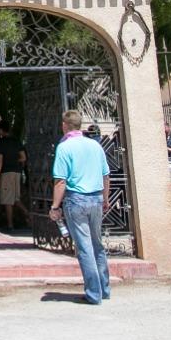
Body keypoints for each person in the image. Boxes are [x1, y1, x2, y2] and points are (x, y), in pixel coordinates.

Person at [50, 110, 112, 305]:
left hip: (76, 200)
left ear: (64, 125)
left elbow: (60, 181)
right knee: (97, 244)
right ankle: (104, 289)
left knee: (84, 247)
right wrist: (106, 198)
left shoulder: (64, 147)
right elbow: (106, 175)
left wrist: (55, 206)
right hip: (96, 198)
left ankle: (93, 293)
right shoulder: (95, 145)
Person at [0, 125, 24, 231]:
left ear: (2, 130)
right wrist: (14, 161)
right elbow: (23, 158)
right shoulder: (17, 141)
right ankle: (29, 215)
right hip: (17, 172)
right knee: (15, 199)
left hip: (6, 173)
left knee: (7, 200)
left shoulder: (0, 143)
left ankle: (10, 225)